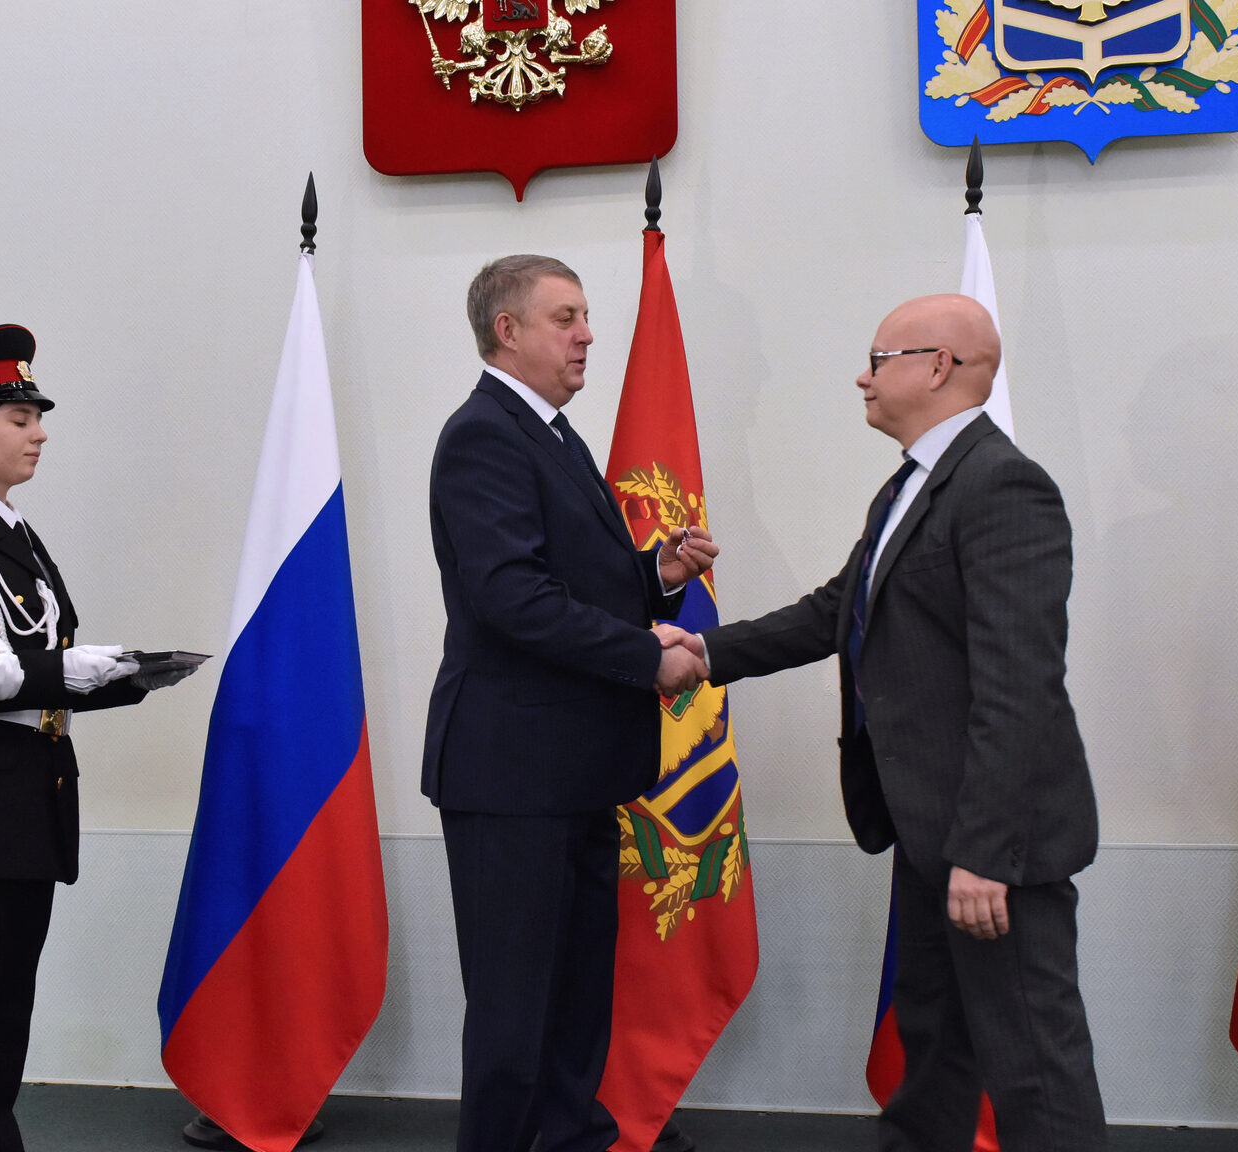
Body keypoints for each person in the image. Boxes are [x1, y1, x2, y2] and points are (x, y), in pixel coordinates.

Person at [664, 294, 1107, 1151]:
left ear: (939, 366)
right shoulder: (912, 485)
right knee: (933, 1047)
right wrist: (706, 652)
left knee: (1033, 1066)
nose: (862, 378)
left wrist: (985, 852)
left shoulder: (1002, 485)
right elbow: (841, 609)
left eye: (878, 358)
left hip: (993, 845)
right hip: (929, 827)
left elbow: (1019, 686)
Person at [0, 325, 198, 1152]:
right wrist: (69, 671)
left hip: (28, 784)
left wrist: (125, 677)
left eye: (37, 417)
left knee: (1, 1008)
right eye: (20, 417)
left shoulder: (12, 530)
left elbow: (36, 660)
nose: (39, 433)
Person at [424, 255, 715, 1152]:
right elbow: (512, 599)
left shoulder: (550, 434)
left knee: (576, 1004)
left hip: (574, 772)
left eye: (586, 316)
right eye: (566, 318)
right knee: (516, 1017)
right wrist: (645, 656)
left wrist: (654, 575)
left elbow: (569, 583)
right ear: (507, 331)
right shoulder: (484, 436)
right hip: (512, 776)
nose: (588, 334)